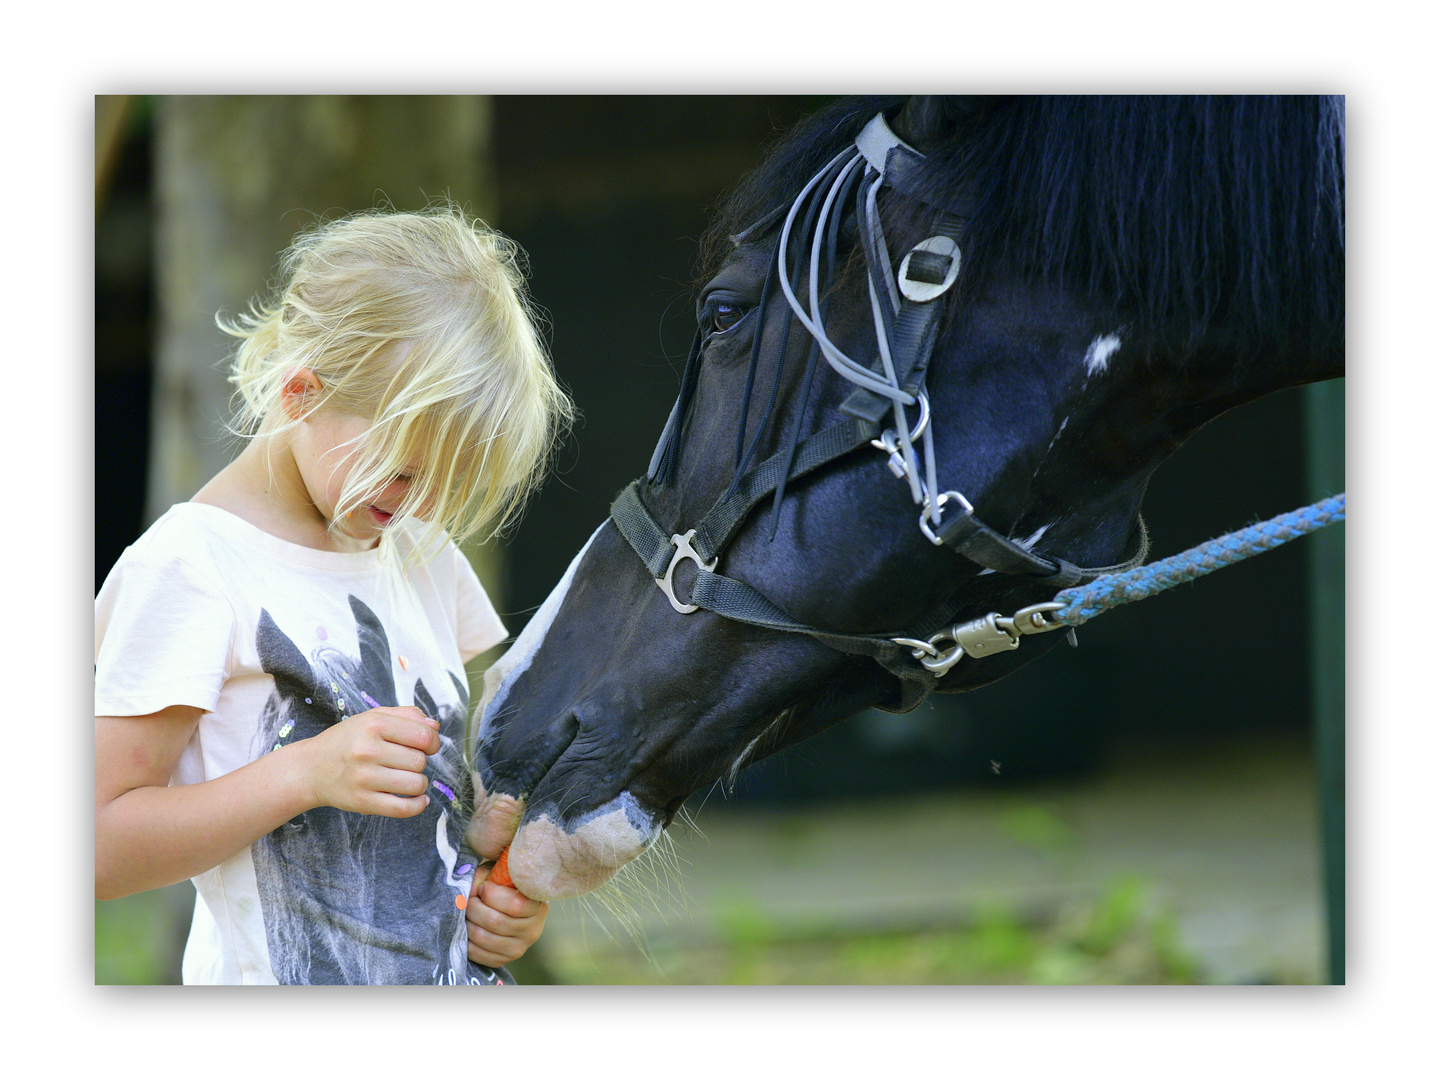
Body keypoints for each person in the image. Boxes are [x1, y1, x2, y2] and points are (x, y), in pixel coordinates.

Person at [94, 205, 573, 985]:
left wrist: (500, 897)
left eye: (447, 480)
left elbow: (440, 828)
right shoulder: (191, 569)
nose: (418, 502)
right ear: (302, 393)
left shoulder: (417, 549)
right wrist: (303, 774)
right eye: (404, 468)